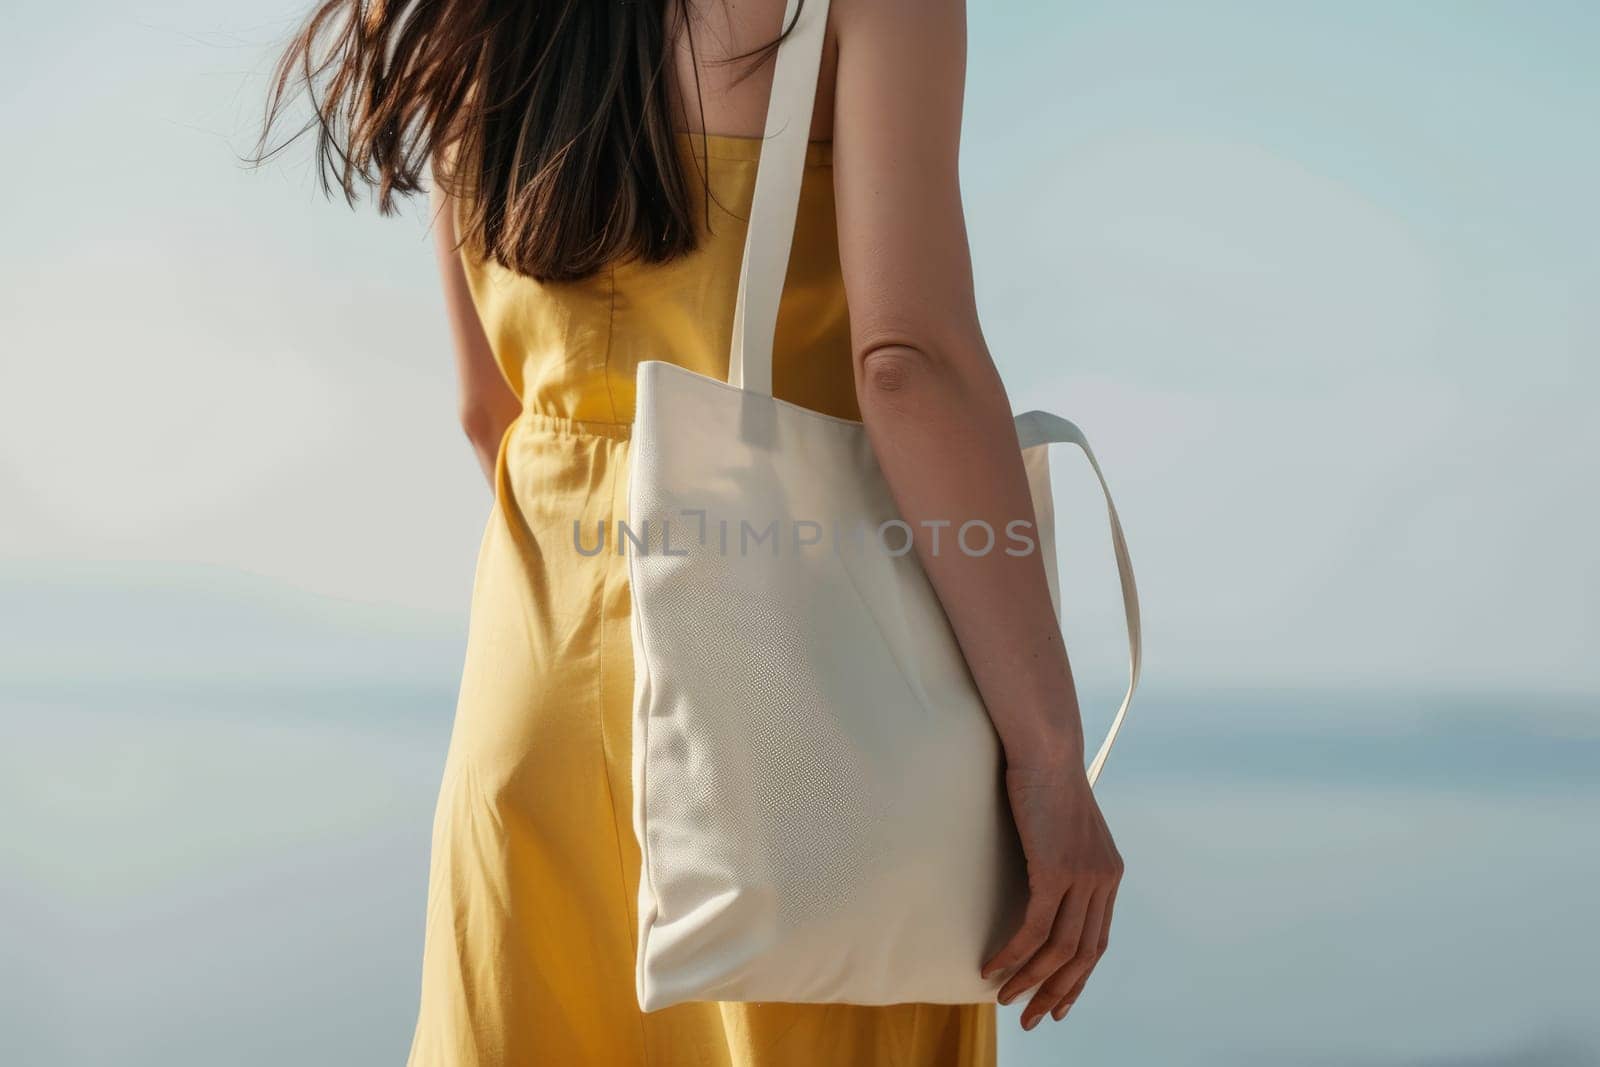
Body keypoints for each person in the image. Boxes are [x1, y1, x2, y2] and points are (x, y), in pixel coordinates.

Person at [261, 0, 1122, 1062]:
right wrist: (1047, 754)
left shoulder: (470, 19)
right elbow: (906, 362)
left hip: (533, 691)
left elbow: (487, 410)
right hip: (796, 707)